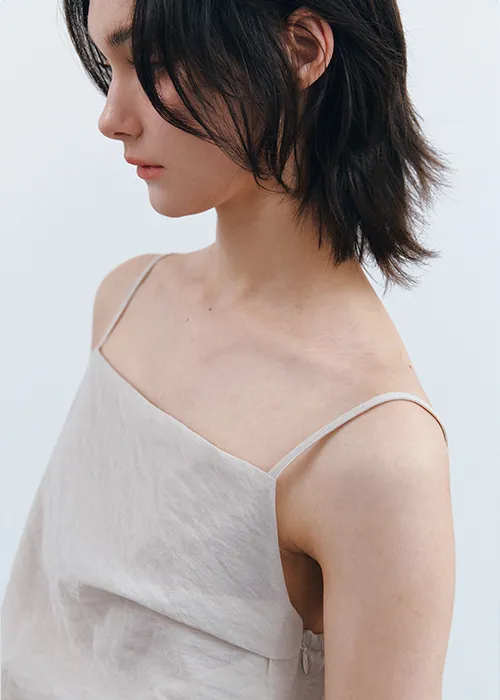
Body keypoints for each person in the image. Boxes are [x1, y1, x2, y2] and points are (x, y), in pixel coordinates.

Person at [1, 0, 456, 698]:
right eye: (109, 66)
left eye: (150, 61)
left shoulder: (376, 452)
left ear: (302, 49)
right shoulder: (126, 303)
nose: (112, 117)